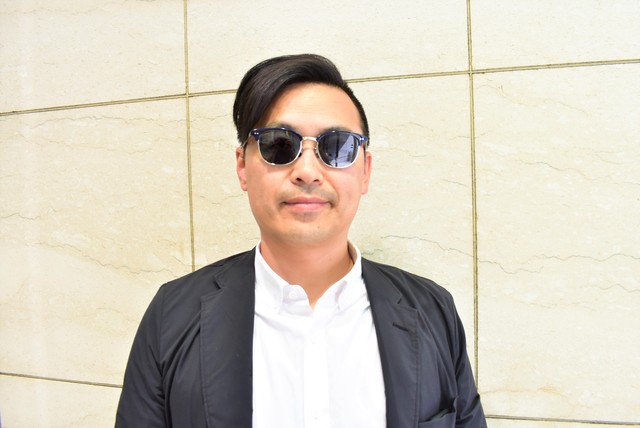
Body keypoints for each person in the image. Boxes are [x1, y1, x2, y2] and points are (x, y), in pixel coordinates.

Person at [115, 54, 486, 428]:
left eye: (337, 146)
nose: (307, 171)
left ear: (365, 171)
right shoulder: (172, 316)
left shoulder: (433, 311)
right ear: (242, 166)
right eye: (279, 144)